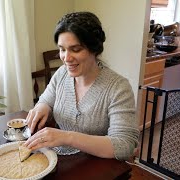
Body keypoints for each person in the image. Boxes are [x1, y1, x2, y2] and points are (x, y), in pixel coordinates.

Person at [24, 11, 139, 160]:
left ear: (94, 48)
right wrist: (42, 107)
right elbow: (46, 100)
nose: (66, 58)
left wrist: (68, 137)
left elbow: (125, 145)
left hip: (97, 166)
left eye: (76, 49)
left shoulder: (118, 88)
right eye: (62, 49)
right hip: (62, 160)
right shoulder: (62, 74)